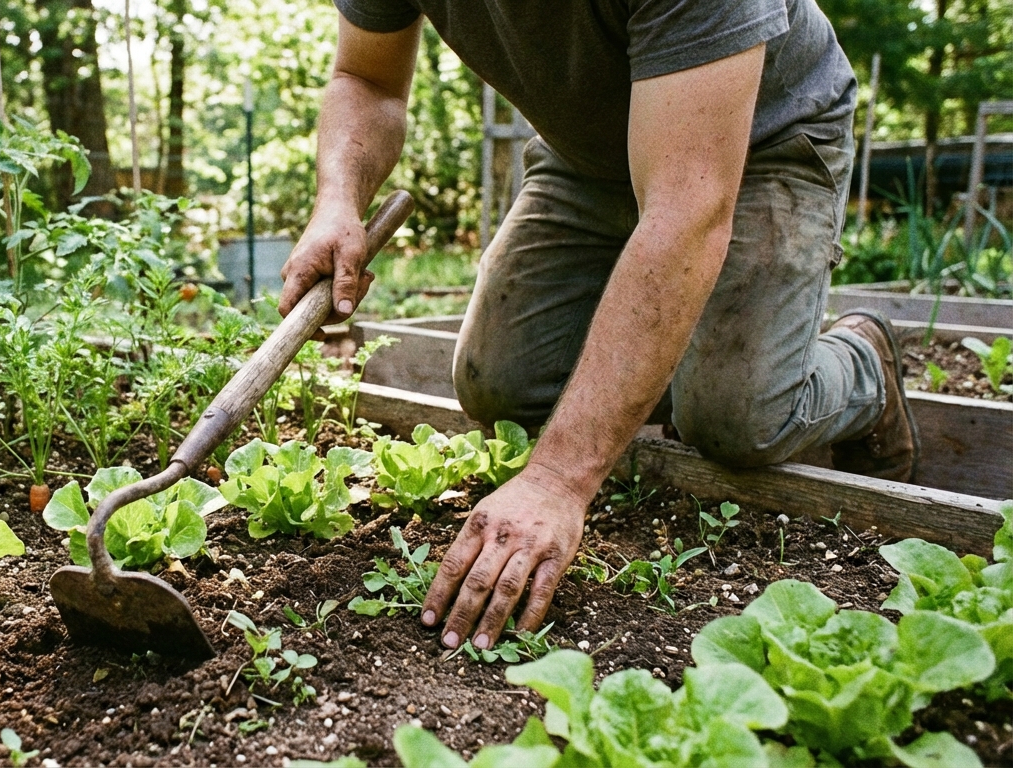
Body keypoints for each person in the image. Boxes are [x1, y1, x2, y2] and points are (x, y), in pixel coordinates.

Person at [276, 0, 920, 652]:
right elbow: (367, 78)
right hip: (587, 156)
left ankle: (865, 363)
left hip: (764, 140)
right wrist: (337, 198)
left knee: (736, 417)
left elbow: (685, 212)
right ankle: (679, 359)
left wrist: (558, 482)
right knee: (501, 385)